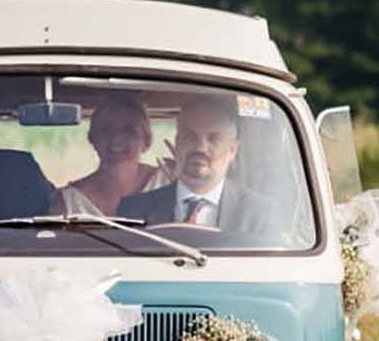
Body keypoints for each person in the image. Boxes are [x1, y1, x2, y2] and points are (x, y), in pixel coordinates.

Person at [119, 94, 277, 237]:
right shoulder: (133, 209)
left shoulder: (261, 213)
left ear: (232, 150)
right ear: (177, 143)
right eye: (189, 136)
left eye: (214, 139)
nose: (200, 147)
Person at [54, 91, 167, 217]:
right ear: (92, 138)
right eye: (106, 129)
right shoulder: (68, 202)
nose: (116, 139)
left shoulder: (167, 183)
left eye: (128, 130)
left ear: (146, 139)